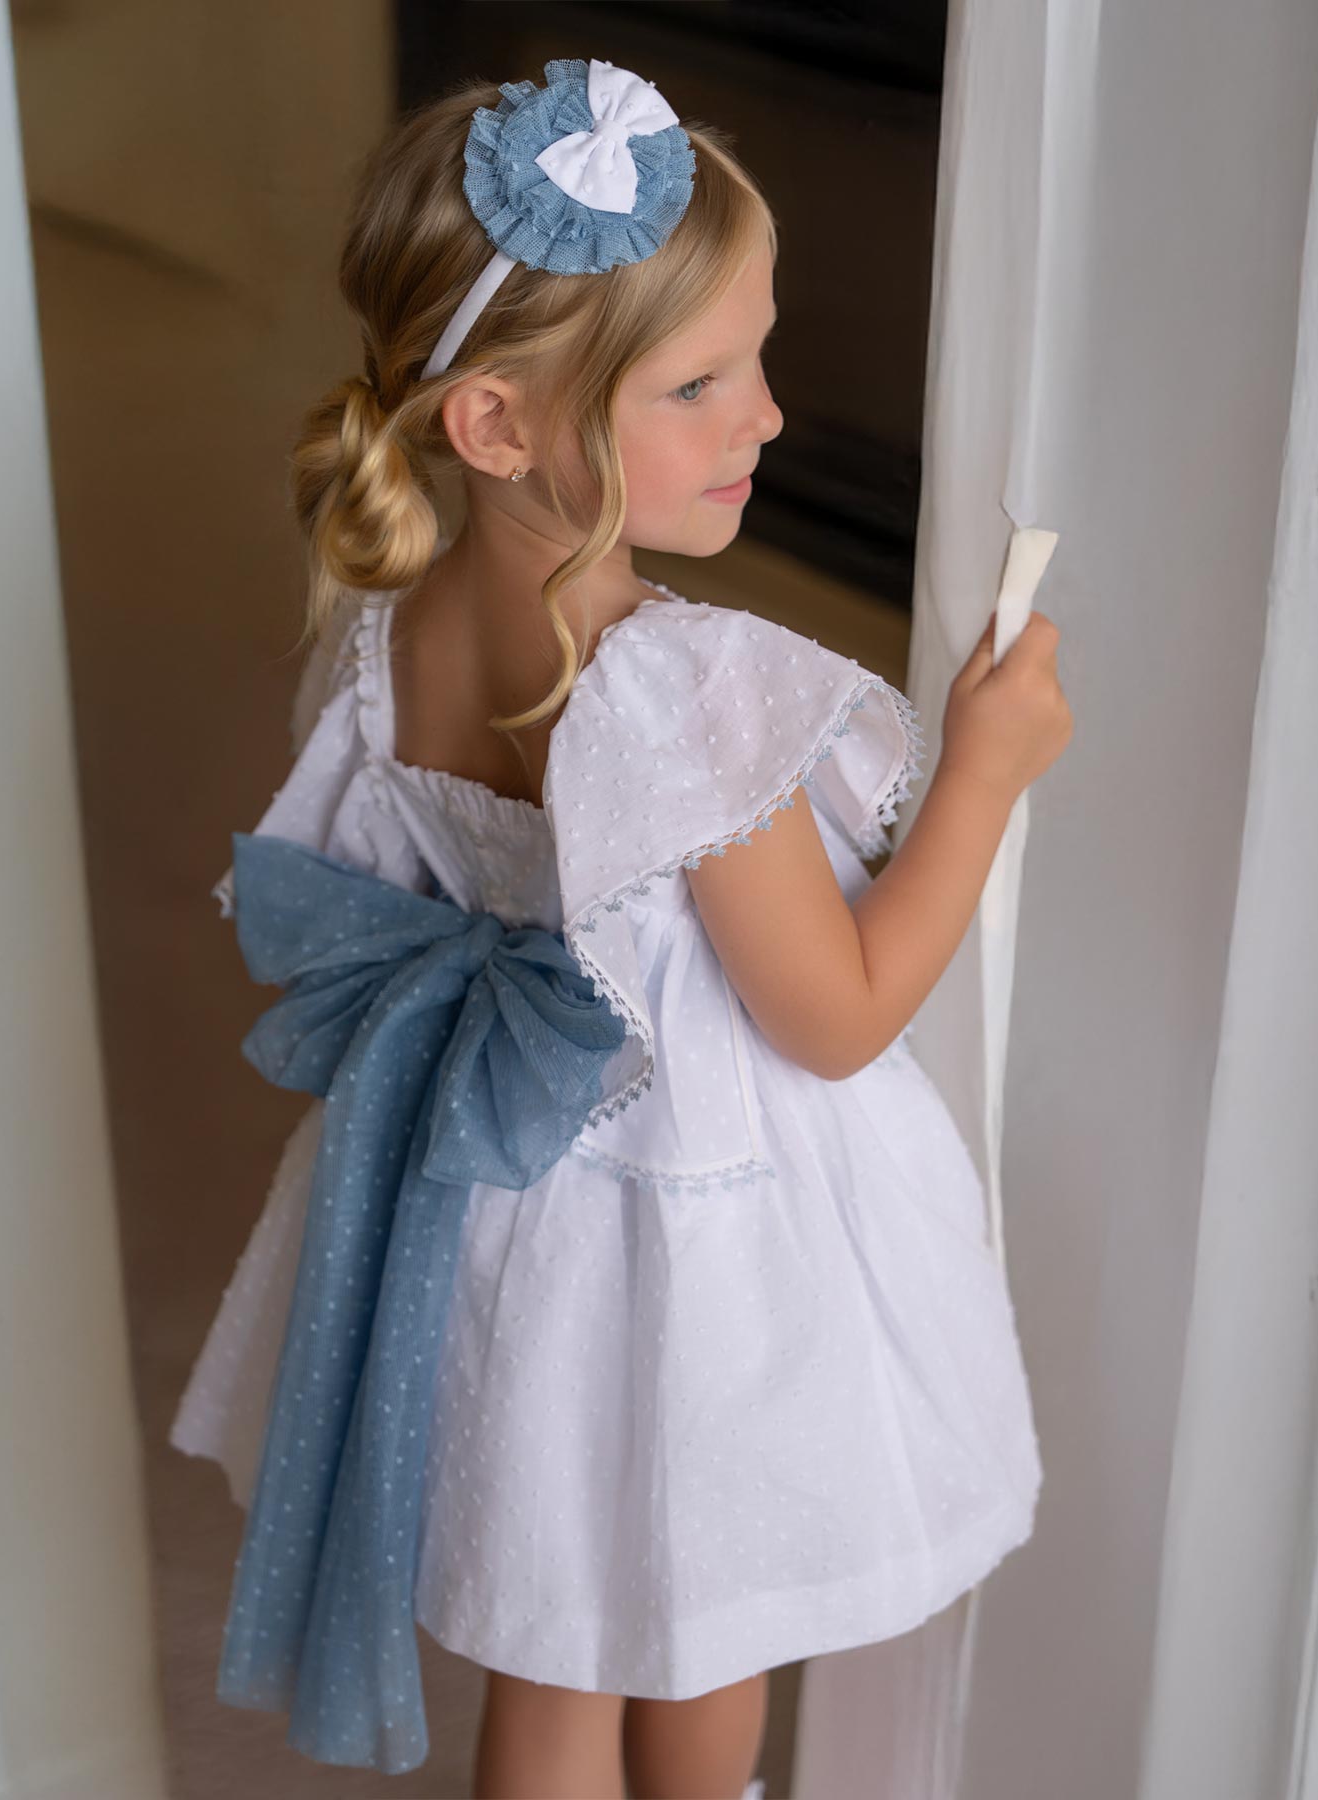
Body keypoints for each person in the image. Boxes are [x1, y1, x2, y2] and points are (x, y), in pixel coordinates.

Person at [172, 56, 1072, 1800]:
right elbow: (836, 1013)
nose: (768, 419)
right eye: (698, 383)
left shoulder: (387, 628)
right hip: (693, 1250)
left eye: (756, 359)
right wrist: (984, 770)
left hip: (500, 1215)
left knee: (555, 1646)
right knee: (702, 1627)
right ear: (497, 425)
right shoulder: (676, 684)